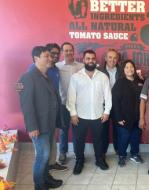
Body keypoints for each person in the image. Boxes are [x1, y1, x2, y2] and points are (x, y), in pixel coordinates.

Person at [18, 46, 63, 190]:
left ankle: (46, 179)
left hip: (49, 124)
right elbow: (27, 105)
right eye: (47, 56)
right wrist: (31, 127)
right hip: (38, 126)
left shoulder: (46, 76)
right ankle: (40, 185)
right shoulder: (28, 77)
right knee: (42, 156)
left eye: (50, 56)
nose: (51, 59)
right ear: (36, 58)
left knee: (47, 155)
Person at [66, 49, 112, 174]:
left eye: (93, 58)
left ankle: (99, 159)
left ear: (95, 60)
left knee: (99, 140)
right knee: (78, 140)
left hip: (98, 115)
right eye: (88, 58)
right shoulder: (76, 77)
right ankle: (79, 161)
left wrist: (107, 112)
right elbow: (71, 97)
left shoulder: (103, 77)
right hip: (80, 116)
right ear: (83, 60)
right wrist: (73, 114)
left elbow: (108, 96)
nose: (90, 61)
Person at [112, 60, 144, 167]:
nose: (129, 69)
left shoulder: (140, 82)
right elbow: (115, 101)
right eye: (126, 67)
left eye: (131, 67)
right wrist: (119, 118)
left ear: (134, 69)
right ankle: (122, 155)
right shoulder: (120, 82)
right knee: (123, 138)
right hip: (123, 118)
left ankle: (134, 154)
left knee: (135, 137)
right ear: (123, 70)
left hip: (137, 117)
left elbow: (144, 99)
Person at [56, 42, 84, 164]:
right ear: (62, 52)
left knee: (78, 130)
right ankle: (63, 152)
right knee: (63, 130)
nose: (68, 53)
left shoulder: (81, 66)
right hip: (63, 103)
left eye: (70, 50)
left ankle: (79, 154)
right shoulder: (57, 66)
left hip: (78, 104)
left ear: (74, 51)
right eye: (65, 50)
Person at [99, 48, 122, 155]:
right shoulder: (98, 71)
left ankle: (118, 151)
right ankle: (102, 152)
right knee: (103, 130)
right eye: (110, 57)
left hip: (118, 106)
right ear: (105, 58)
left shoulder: (122, 71)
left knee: (118, 130)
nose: (112, 60)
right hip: (103, 106)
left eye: (115, 58)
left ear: (117, 59)